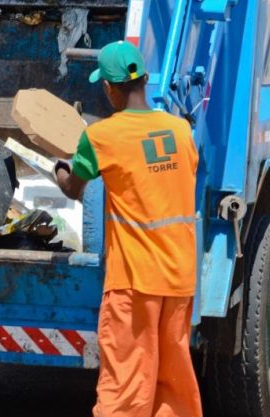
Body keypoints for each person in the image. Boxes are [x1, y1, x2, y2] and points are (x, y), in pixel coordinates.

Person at [55, 41, 202, 417]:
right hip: (179, 277)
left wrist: (60, 168)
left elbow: (74, 187)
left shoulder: (102, 136)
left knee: (125, 385)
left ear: (108, 88)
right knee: (172, 383)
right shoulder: (181, 131)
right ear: (146, 79)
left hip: (134, 282)